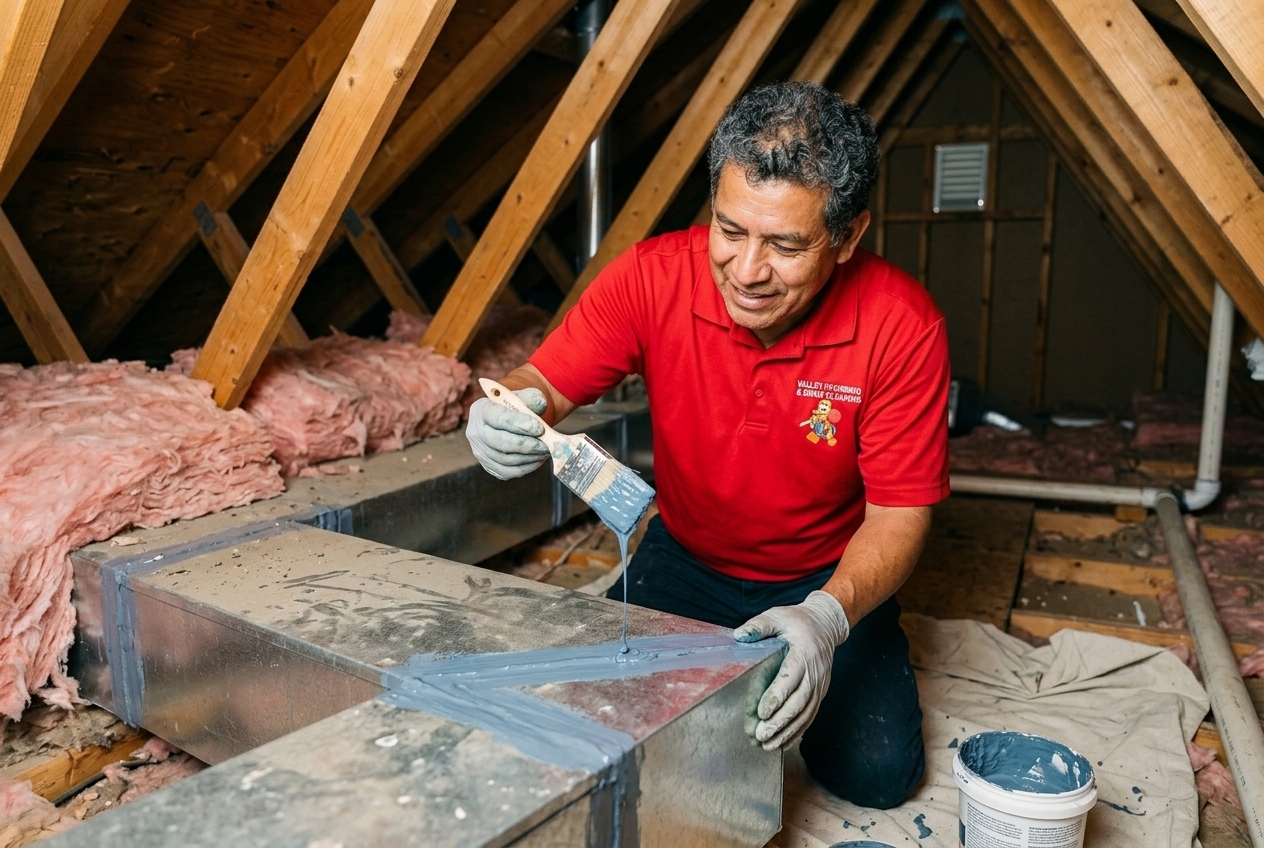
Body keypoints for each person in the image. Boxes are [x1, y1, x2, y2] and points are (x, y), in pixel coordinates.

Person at [465, 81, 949, 809]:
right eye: (730, 230)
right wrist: (513, 407)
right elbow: (546, 379)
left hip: (823, 574)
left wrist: (827, 618)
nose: (748, 271)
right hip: (687, 559)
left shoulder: (901, 326)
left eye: (786, 245)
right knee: (595, 728)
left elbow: (899, 515)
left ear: (848, 237)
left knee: (876, 777)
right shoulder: (650, 275)